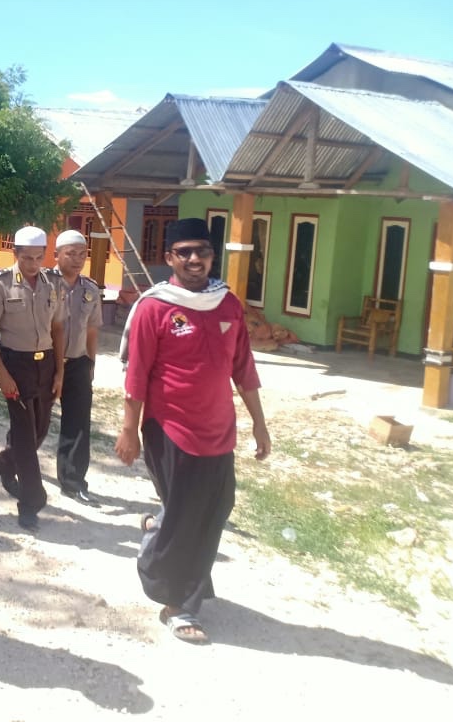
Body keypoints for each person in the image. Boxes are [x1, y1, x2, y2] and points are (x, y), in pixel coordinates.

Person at [114, 218, 271, 644]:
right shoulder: (154, 306)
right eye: (184, 251)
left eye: (201, 250)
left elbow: (244, 368)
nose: (194, 259)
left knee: (216, 508)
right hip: (170, 428)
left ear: (212, 256)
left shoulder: (228, 305)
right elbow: (137, 373)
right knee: (187, 515)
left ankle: (157, 540)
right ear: (170, 259)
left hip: (219, 429)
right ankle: (178, 602)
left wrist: (259, 423)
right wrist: (129, 429)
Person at [0, 226, 64, 532]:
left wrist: (61, 372)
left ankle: (4, 462)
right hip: (16, 365)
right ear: (15, 254)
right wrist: (2, 375)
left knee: (39, 431)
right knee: (26, 437)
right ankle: (31, 502)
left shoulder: (53, 283)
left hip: (47, 364)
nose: (33, 263)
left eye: (39, 257)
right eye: (27, 257)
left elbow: (59, 329)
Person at [50, 230, 103, 505]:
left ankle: (72, 481)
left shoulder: (90, 289)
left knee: (79, 424)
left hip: (78, 362)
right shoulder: (44, 283)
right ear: (56, 254)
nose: (77, 259)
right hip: (45, 361)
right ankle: (16, 462)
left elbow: (92, 330)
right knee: (34, 421)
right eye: (71, 253)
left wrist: (91, 363)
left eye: (82, 254)